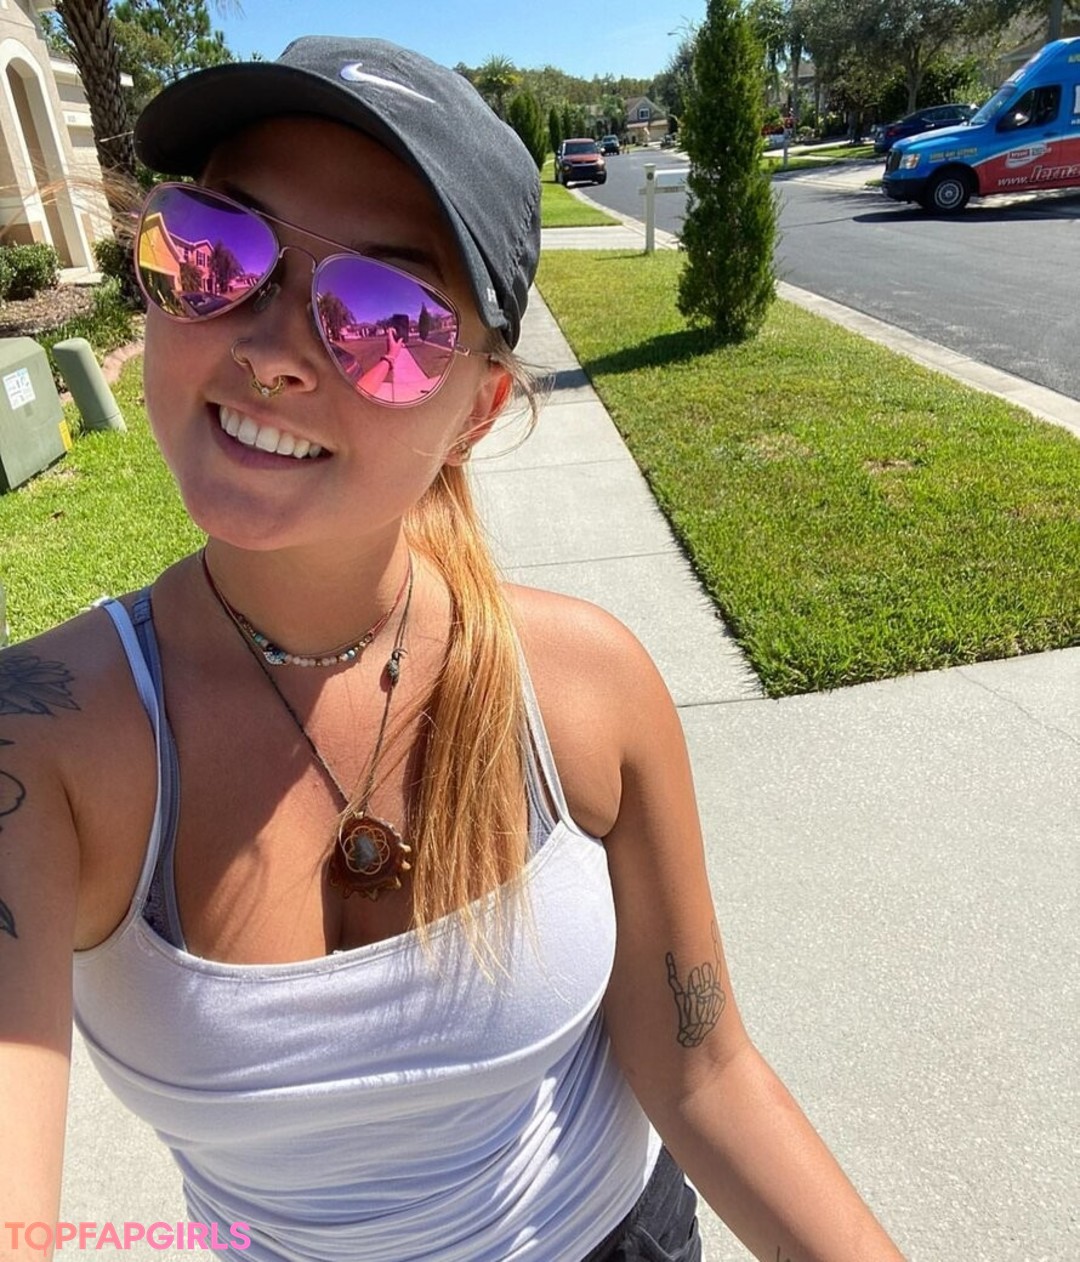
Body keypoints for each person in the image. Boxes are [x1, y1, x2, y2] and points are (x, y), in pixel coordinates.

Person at [0, 36, 907, 1262]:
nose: (272, 350)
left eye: (388, 317)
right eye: (218, 254)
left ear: (477, 409)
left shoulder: (584, 691)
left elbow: (703, 1071)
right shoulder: (40, 743)